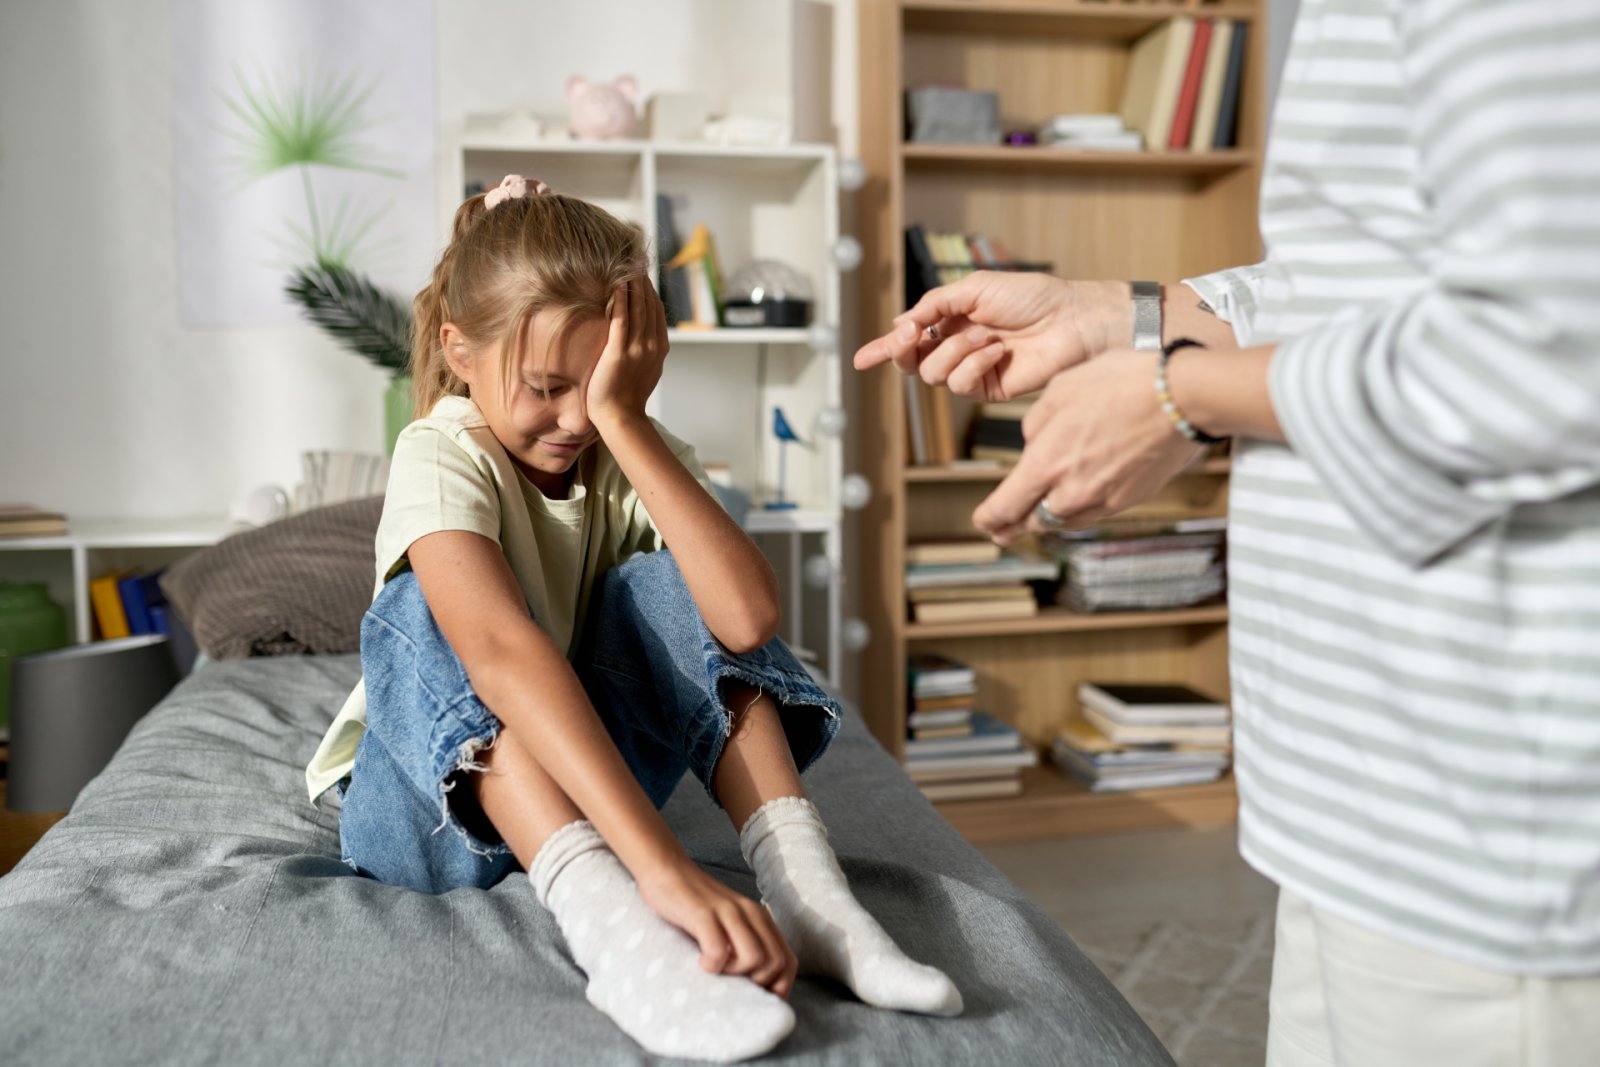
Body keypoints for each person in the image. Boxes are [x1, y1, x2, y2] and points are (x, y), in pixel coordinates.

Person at [855, 2, 1600, 1063]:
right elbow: (1367, 280)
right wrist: (1120, 313)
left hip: (1486, 815)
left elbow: (1554, 343)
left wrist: (1180, 396)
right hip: (1354, 790)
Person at [306, 175, 961, 1064]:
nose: (575, 418)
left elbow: (747, 617)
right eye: (546, 387)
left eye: (599, 384)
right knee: (423, 607)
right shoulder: (441, 450)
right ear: (459, 350)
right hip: (426, 821)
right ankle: (612, 932)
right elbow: (501, 654)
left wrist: (629, 419)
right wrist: (662, 870)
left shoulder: (616, 438)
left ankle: (809, 895)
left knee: (666, 578)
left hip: (582, 783)